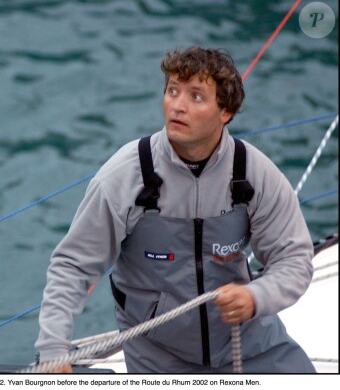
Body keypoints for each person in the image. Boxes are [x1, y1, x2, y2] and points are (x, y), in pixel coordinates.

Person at [34, 46, 316, 373]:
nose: (177, 106)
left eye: (196, 96)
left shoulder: (254, 174)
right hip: (158, 358)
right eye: (172, 91)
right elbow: (73, 266)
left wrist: (257, 296)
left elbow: (293, 260)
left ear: (225, 112)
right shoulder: (124, 177)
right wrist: (53, 347)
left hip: (250, 345)